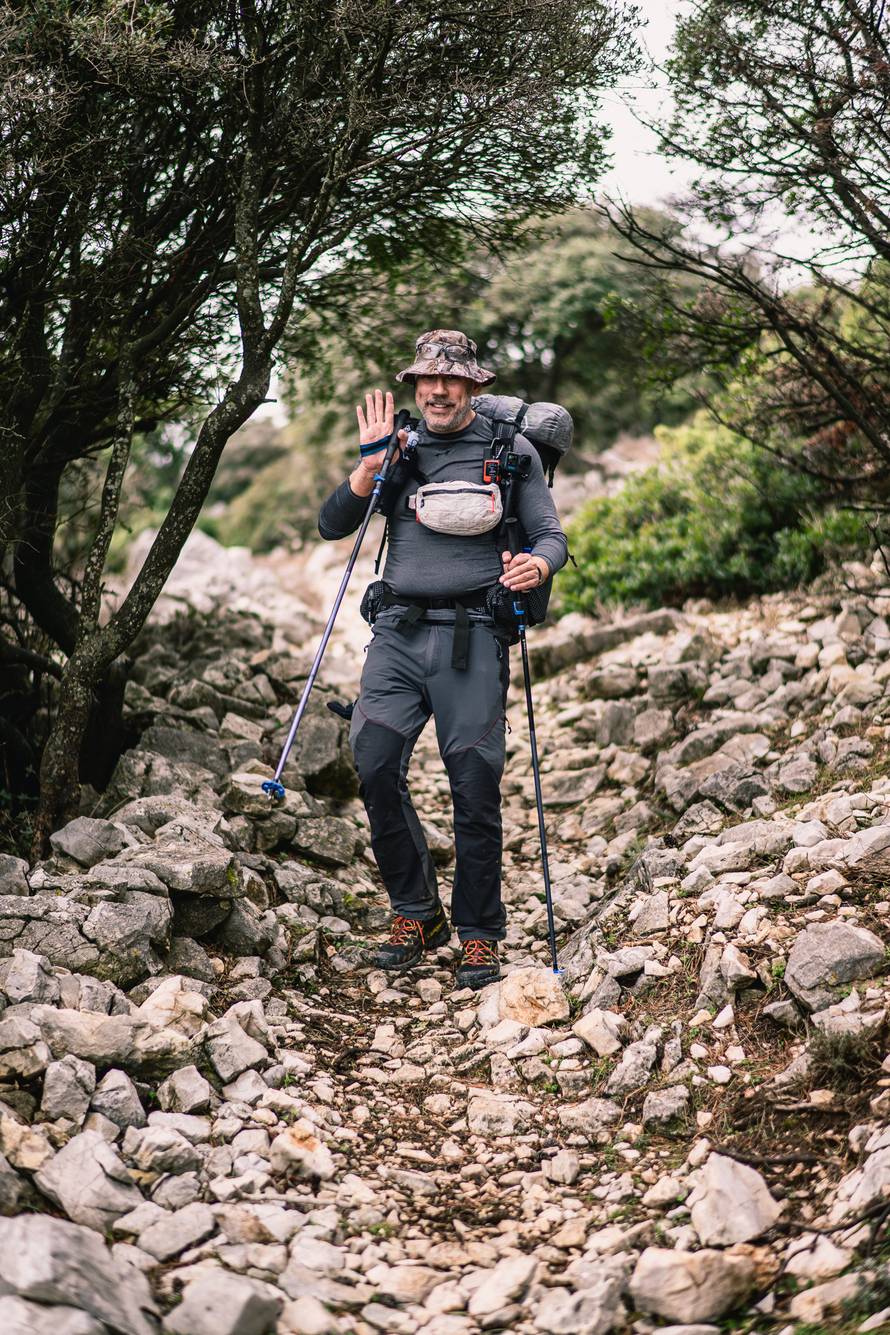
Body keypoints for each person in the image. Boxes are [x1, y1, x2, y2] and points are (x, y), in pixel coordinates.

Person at [318, 330, 568, 989]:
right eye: (426, 380)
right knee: (372, 764)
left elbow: (549, 533)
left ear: (474, 386)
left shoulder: (509, 451)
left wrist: (537, 564)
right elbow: (331, 523)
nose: (436, 390)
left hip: (473, 636)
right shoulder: (395, 451)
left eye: (450, 380)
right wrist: (368, 469)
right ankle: (416, 911)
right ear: (414, 386)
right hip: (397, 634)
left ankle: (480, 933)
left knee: (474, 784)